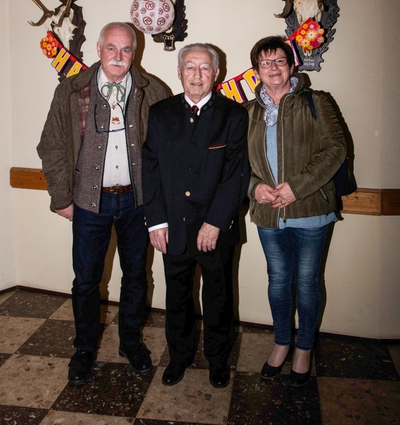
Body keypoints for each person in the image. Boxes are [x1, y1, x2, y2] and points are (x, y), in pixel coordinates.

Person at [37, 22, 167, 385]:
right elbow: (51, 146)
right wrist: (61, 197)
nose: (119, 56)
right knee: (86, 281)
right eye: (112, 47)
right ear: (98, 49)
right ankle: (84, 348)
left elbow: (166, 152)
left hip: (137, 204)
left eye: (126, 50)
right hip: (88, 204)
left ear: (135, 53)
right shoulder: (71, 91)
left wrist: (160, 204)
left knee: (136, 276)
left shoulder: (153, 91)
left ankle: (130, 342)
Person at [142, 43, 249, 388]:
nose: (197, 75)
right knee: (177, 297)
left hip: (216, 228)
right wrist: (156, 221)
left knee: (218, 297)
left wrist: (215, 222)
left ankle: (218, 359)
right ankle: (179, 357)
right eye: (190, 67)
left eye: (205, 68)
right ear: (179, 72)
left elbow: (236, 175)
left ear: (216, 73)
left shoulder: (234, 115)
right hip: (172, 226)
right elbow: (150, 169)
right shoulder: (160, 113)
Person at [246, 36, 347, 386]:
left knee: (306, 282)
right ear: (256, 70)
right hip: (268, 213)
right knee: (277, 281)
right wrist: (254, 187)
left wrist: (297, 187)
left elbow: (336, 149)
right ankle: (281, 342)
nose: (273, 68)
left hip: (311, 210)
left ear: (291, 66)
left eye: (279, 61)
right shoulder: (248, 112)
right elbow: (237, 163)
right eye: (265, 63)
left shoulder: (317, 102)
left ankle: (304, 347)